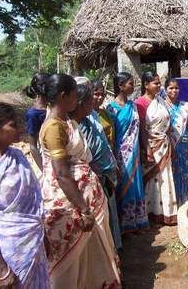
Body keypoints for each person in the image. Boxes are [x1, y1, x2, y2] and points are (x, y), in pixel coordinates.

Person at [39, 74, 120, 288]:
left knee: (90, 252)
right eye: (75, 95)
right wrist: (83, 209)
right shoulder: (54, 127)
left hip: (84, 196)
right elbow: (62, 174)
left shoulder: (67, 121)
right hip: (69, 201)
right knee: (70, 259)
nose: (77, 100)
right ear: (64, 96)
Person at [0, 102, 49, 288]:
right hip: (6, 251)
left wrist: (42, 235)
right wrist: (0, 269)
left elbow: (35, 200)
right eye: (12, 125)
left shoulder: (18, 156)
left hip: (34, 242)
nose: (20, 129)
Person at [71, 83, 122, 250]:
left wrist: (112, 166)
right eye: (89, 100)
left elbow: (103, 145)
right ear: (80, 103)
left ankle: (113, 250)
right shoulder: (74, 127)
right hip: (93, 177)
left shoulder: (90, 118)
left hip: (105, 172)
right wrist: (100, 174)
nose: (94, 102)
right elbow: (86, 156)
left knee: (109, 216)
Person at [107, 72, 149, 233]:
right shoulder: (111, 109)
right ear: (120, 86)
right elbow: (112, 135)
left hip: (135, 152)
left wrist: (145, 149)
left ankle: (138, 220)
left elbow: (141, 130)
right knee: (125, 187)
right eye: (130, 84)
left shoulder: (133, 106)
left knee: (137, 184)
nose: (133, 86)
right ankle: (125, 225)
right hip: (121, 155)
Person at [135, 71, 178, 225]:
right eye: (155, 83)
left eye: (159, 83)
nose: (159, 86)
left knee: (165, 179)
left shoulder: (161, 100)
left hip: (164, 145)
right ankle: (151, 214)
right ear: (146, 85)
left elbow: (167, 123)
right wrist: (147, 149)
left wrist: (170, 143)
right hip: (151, 147)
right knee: (152, 181)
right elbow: (141, 129)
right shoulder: (140, 103)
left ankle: (166, 213)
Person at [164, 78, 188, 206]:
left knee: (183, 171)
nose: (174, 90)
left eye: (176, 88)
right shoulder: (161, 107)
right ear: (165, 89)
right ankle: (173, 204)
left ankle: (183, 201)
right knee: (172, 172)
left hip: (183, 143)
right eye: (171, 88)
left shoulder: (185, 107)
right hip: (169, 145)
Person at [25, 72, 49, 170]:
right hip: (47, 159)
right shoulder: (33, 114)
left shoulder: (53, 107)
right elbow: (33, 146)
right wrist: (44, 170)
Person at [93, 80, 115, 150]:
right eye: (96, 94)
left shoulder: (105, 113)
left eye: (102, 95)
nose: (100, 97)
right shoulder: (86, 116)